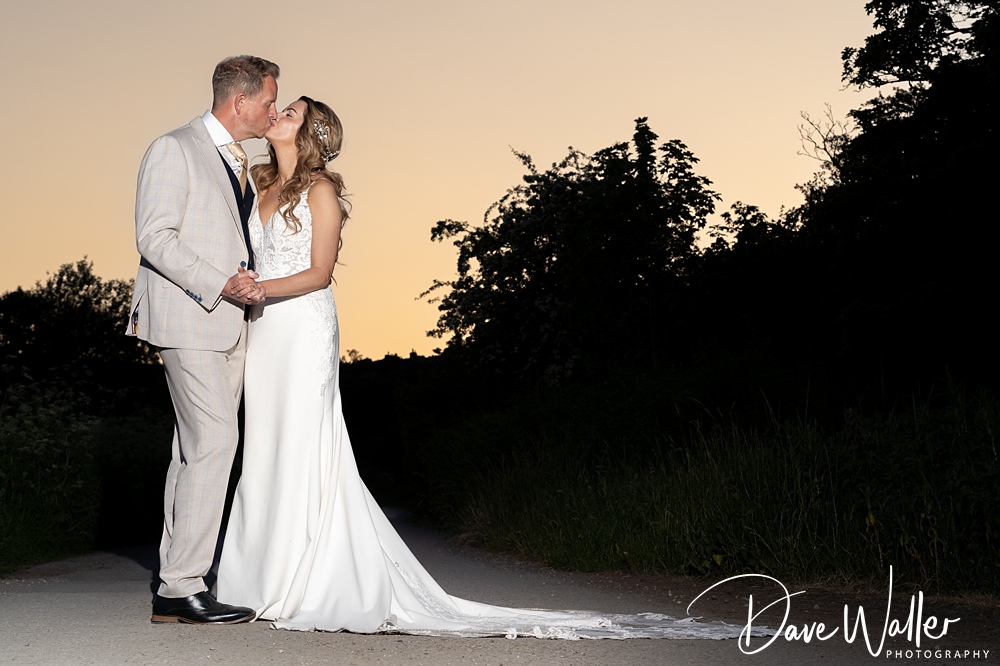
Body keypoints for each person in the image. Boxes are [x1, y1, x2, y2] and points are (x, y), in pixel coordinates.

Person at [215, 97, 749, 640]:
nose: (279, 112)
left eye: (292, 111)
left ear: (309, 133)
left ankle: (310, 580)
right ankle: (258, 580)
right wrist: (242, 282)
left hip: (302, 328)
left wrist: (259, 287)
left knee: (304, 443)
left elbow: (319, 273)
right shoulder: (257, 187)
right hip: (264, 331)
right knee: (264, 443)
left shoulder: (321, 190)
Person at [127, 55, 279, 625]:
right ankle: (180, 588)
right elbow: (154, 236)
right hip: (189, 314)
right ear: (239, 101)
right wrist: (221, 283)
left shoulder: (239, 159)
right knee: (216, 441)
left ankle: (178, 578)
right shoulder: (174, 147)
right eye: (268, 100)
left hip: (231, 322)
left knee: (192, 451)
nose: (272, 109)